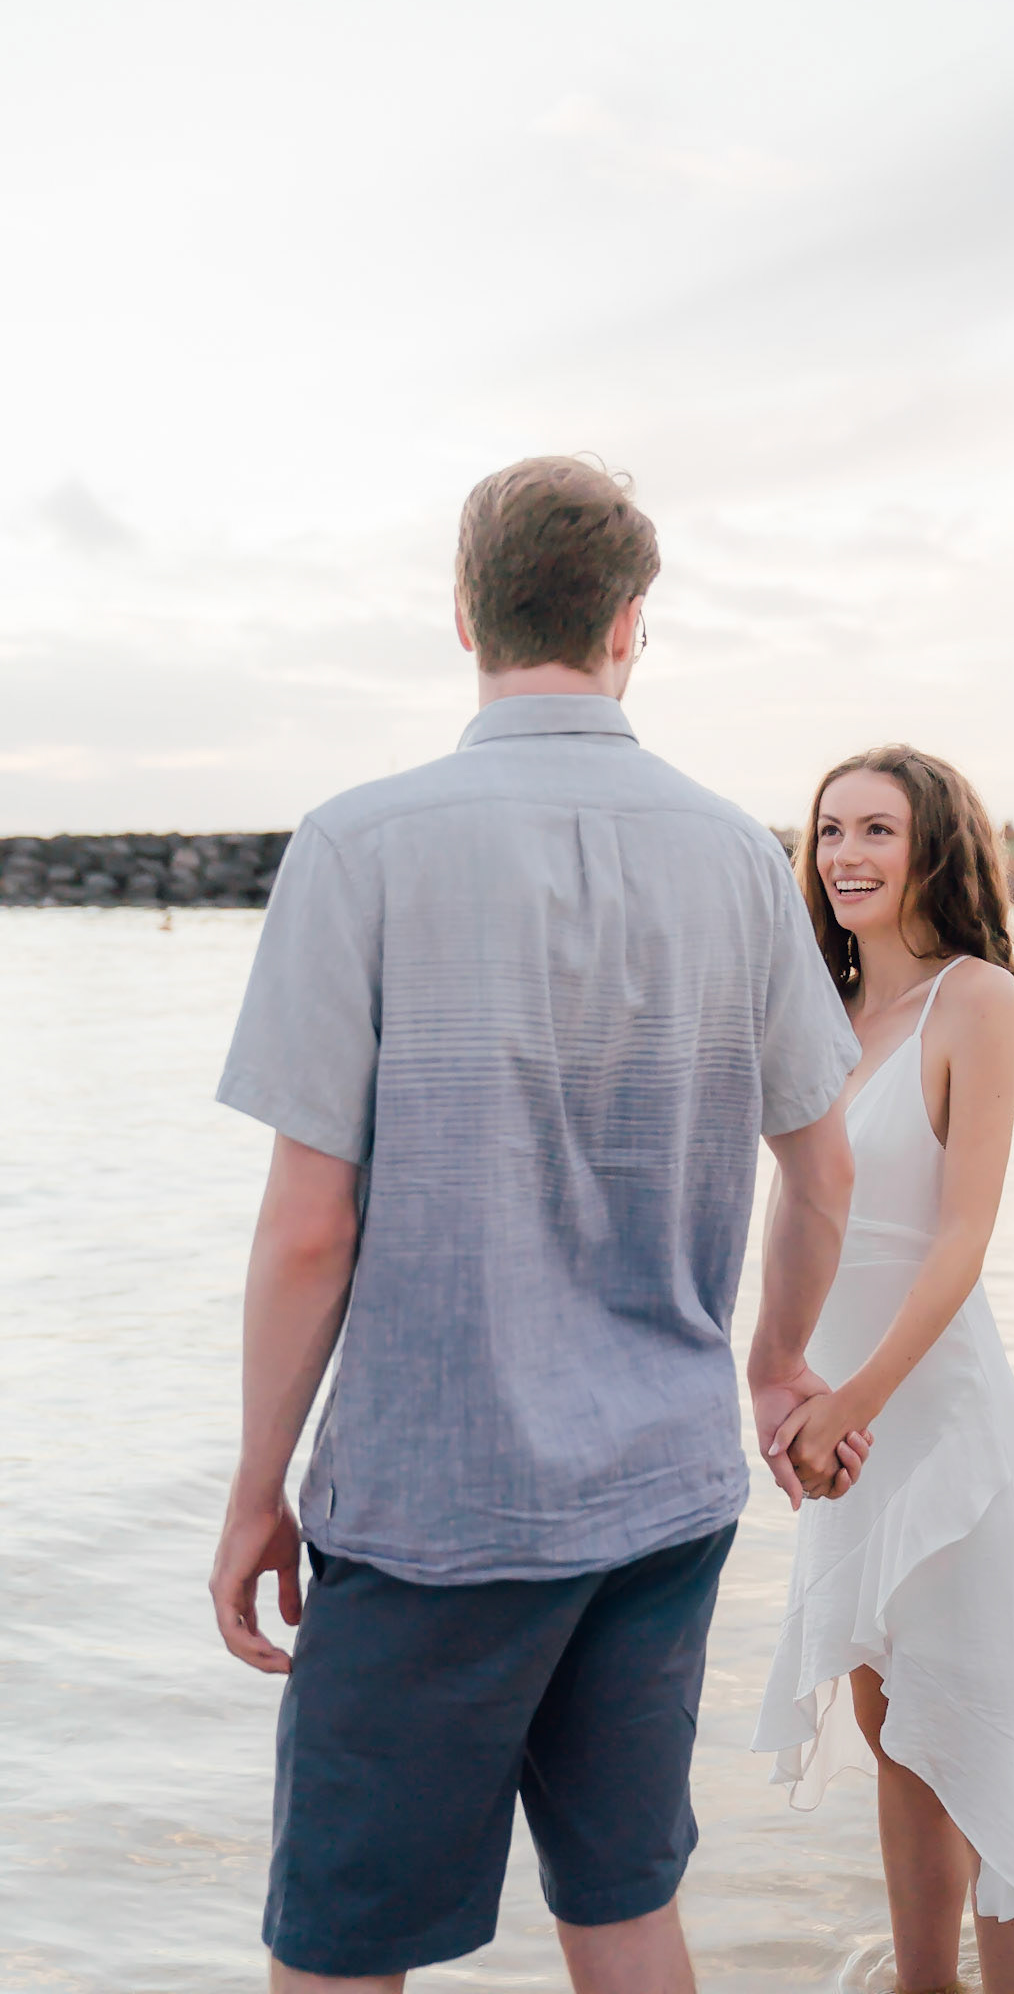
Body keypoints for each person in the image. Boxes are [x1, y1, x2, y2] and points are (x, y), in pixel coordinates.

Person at [208, 456, 872, 1994]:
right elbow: (822, 1171)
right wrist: (776, 1363)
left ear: (464, 614)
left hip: (431, 1509)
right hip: (661, 1494)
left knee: (339, 1947)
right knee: (624, 1909)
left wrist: (256, 1487)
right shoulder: (736, 855)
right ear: (630, 622)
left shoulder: (360, 845)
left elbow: (309, 1229)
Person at [751, 746, 1014, 1994]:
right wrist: (779, 1373)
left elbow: (961, 1239)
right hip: (843, 1426)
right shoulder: (819, 1013)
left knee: (989, 1754)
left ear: (934, 845)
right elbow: (793, 1214)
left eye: (876, 828)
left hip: (933, 1419)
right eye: (829, 829)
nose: (844, 854)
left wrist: (854, 1401)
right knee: (901, 1745)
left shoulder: (972, 999)